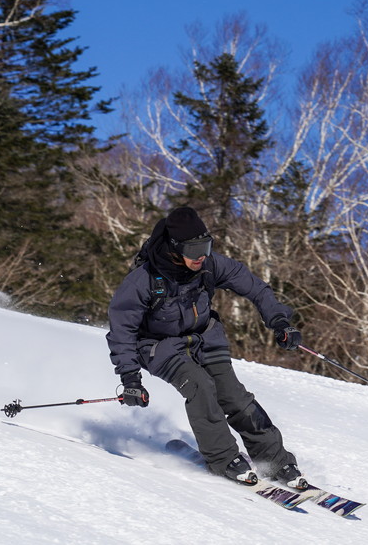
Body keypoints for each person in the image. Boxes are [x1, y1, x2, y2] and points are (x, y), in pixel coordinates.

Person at [106, 206, 306, 487]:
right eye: (193, 249)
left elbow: (255, 287)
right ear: (175, 248)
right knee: (200, 386)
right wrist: (130, 378)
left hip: (204, 337)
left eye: (205, 246)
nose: (201, 255)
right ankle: (223, 459)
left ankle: (274, 460)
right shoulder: (144, 279)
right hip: (159, 346)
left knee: (235, 397)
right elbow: (122, 329)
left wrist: (280, 321)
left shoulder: (209, 265)